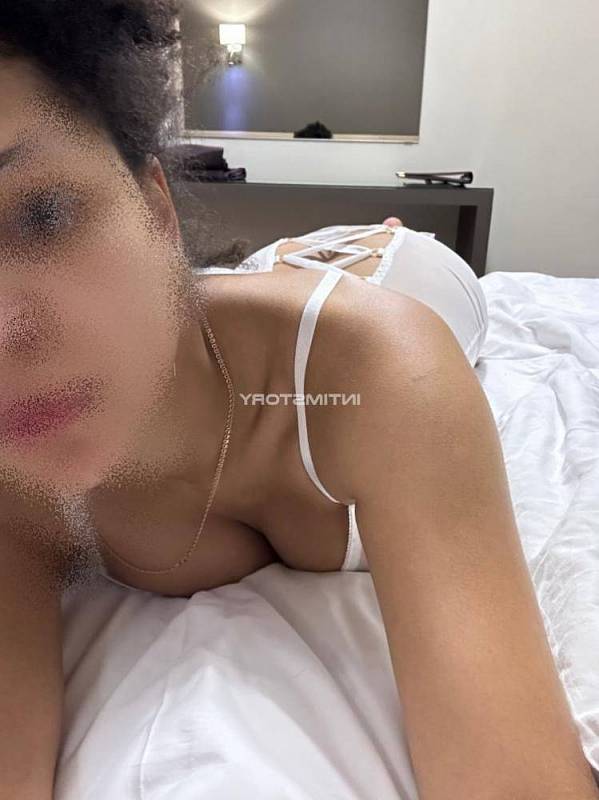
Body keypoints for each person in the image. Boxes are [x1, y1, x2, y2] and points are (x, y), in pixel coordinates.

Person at [0, 3, 597, 799]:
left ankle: (366, 236)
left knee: (377, 262)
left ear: (155, 205)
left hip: (393, 270)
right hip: (248, 292)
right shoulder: (15, 481)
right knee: (241, 283)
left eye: (40, 215)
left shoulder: (379, 366)